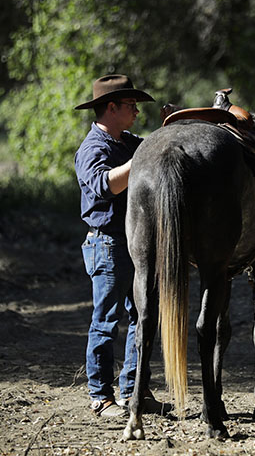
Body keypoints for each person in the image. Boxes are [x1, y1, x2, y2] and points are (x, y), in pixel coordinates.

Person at [74, 74, 170, 417]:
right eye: (131, 106)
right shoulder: (92, 148)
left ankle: (134, 391)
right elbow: (103, 186)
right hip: (108, 243)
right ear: (111, 108)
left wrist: (166, 132)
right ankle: (101, 398)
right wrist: (140, 161)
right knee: (106, 320)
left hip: (134, 243)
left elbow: (153, 153)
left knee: (142, 316)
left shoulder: (128, 142)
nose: (136, 112)